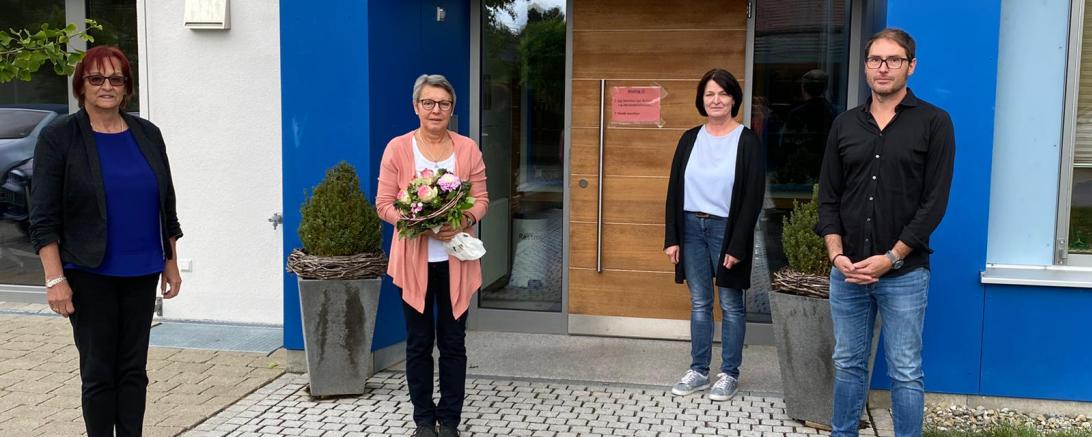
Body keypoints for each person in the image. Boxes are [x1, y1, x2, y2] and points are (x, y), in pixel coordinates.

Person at [29, 45, 184, 437]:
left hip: (142, 270)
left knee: (133, 371)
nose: (107, 86)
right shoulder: (60, 137)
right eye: (96, 78)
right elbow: (43, 216)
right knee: (99, 373)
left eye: (116, 78)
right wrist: (54, 279)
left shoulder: (147, 134)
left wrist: (170, 261)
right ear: (81, 85)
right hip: (88, 272)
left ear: (127, 87)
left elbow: (166, 202)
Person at [815, 28, 955, 437]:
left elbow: (934, 203)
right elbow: (829, 197)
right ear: (865, 67)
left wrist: (891, 258)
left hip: (904, 274)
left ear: (911, 66)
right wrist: (836, 255)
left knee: (906, 371)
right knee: (847, 364)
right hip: (848, 273)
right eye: (875, 59)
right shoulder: (845, 124)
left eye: (894, 60)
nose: (883, 68)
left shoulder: (934, 123)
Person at [375, 74, 489, 437]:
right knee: (419, 343)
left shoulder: (468, 149)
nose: (436, 110)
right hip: (414, 263)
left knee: (453, 343)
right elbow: (383, 204)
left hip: (456, 262)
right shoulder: (397, 148)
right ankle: (424, 420)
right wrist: (419, 224)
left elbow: (482, 200)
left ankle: (450, 419)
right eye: (428, 103)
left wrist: (463, 220)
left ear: (452, 109)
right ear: (416, 107)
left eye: (443, 103)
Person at [663, 68, 766, 401]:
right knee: (700, 302)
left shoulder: (747, 141)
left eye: (723, 93)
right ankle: (699, 370)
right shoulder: (689, 139)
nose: (716, 100)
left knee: (731, 303)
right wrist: (672, 237)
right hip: (691, 227)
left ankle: (729, 373)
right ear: (702, 99)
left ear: (734, 99)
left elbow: (752, 199)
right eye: (710, 94)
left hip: (726, 229)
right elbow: (674, 190)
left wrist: (737, 244)